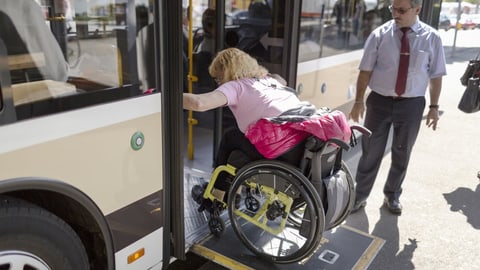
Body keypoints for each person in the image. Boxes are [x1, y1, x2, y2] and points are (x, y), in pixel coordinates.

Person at [349, 0, 447, 215]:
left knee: (402, 153)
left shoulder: (432, 38)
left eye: (401, 10)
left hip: (412, 105)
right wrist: (358, 101)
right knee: (370, 152)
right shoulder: (379, 35)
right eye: (393, 8)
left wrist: (433, 106)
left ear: (417, 10)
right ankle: (359, 196)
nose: (395, 14)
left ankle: (392, 196)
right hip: (379, 103)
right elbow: (365, 71)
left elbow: (436, 75)